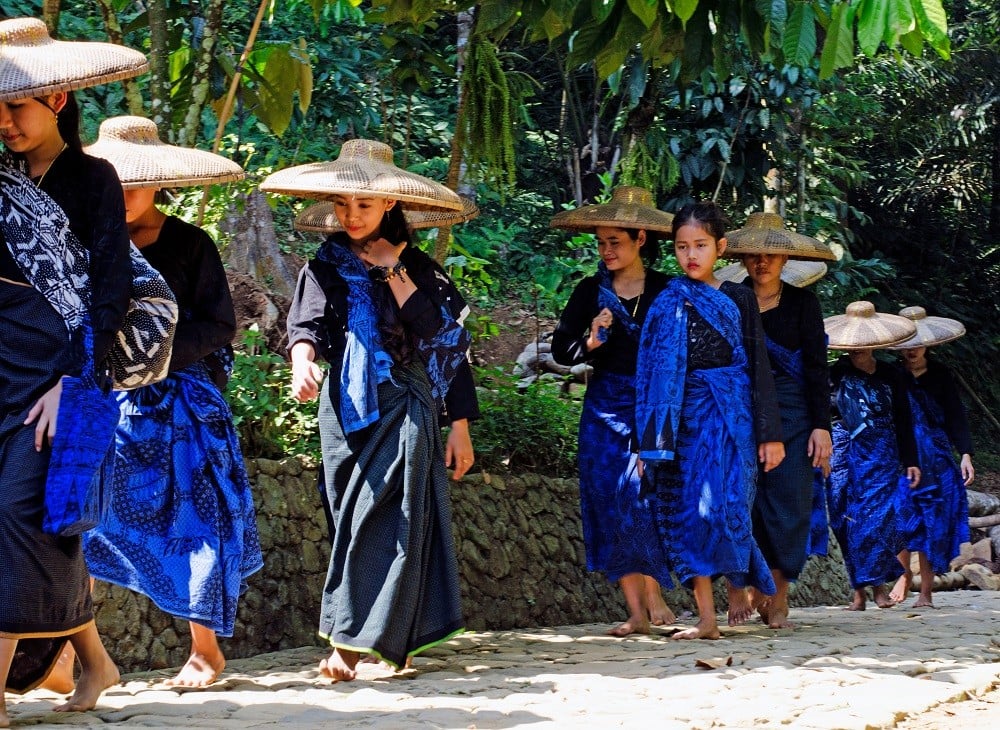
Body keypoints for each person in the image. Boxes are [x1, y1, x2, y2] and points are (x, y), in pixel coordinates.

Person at [267, 139, 479, 681]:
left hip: (406, 404)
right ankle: (393, 640)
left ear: (389, 205)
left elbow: (445, 344)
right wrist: (301, 364)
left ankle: (350, 646)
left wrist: (460, 428)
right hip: (343, 409)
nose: (351, 215)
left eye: (364, 205)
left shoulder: (422, 270)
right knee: (350, 519)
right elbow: (305, 326)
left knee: (388, 519)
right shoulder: (324, 266)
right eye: (343, 204)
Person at [79, 116, 262, 687]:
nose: (124, 198)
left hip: (180, 410)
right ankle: (74, 655)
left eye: (135, 187)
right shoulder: (85, 241)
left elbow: (219, 325)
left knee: (194, 523)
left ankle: (204, 650)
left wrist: (154, 358)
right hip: (103, 405)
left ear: (158, 184)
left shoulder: (190, 245)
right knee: (80, 525)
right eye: (114, 185)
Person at [0, 17, 146, 722]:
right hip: (0, 374)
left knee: (23, 513)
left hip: (62, 382)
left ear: (56, 99)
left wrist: (76, 382)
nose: (3, 122)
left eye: (15, 106)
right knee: (31, 523)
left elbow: (111, 287)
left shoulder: (94, 180)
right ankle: (93, 661)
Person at [635, 201, 784, 640]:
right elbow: (652, 376)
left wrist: (770, 434)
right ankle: (707, 618)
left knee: (728, 506)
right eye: (682, 247)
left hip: (731, 416)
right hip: (683, 422)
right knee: (690, 511)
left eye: (701, 245)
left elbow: (758, 366)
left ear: (720, 247)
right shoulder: (667, 302)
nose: (691, 255)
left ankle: (739, 581)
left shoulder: (738, 297)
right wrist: (648, 443)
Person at [550, 186, 676, 637]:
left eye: (614, 242)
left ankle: (655, 589)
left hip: (656, 406)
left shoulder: (668, 289)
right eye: (600, 243)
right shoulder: (590, 291)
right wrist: (592, 340)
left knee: (646, 495)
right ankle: (636, 611)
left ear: (640, 238)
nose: (606, 251)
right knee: (611, 500)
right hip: (604, 405)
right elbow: (562, 352)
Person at [721, 212, 835, 628]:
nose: (761, 262)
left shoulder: (804, 303)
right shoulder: (731, 298)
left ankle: (778, 594)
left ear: (785, 259)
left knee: (788, 502)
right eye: (753, 255)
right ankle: (737, 587)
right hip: (739, 410)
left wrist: (822, 426)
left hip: (795, 415)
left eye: (770, 255)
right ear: (744, 259)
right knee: (739, 498)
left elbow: (817, 369)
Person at [824, 302, 921, 611]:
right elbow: (823, 416)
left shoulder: (892, 375)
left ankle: (877, 588)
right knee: (845, 518)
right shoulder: (834, 375)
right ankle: (858, 591)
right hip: (842, 452)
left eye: (863, 346)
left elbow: (904, 419)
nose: (857, 351)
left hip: (882, 452)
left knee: (877, 519)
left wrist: (911, 460)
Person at [887, 307, 973, 608]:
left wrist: (965, 453)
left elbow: (955, 417)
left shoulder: (941, 376)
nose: (912, 350)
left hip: (936, 458)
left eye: (917, 343)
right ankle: (902, 575)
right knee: (900, 518)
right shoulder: (893, 376)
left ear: (927, 344)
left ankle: (925, 591)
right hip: (901, 457)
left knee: (931, 522)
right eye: (907, 344)